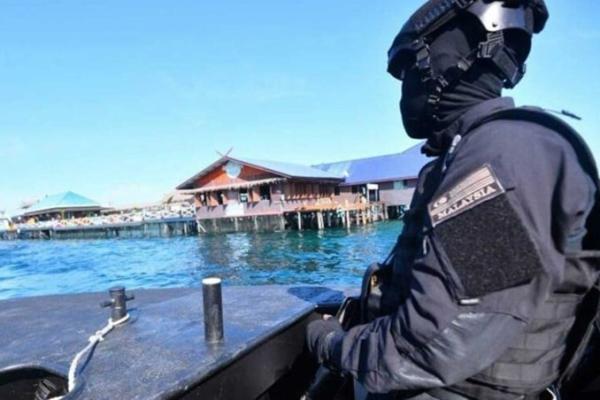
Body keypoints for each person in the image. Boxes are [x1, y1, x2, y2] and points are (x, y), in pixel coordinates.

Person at [306, 1, 600, 399]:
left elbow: (438, 340)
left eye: (408, 69)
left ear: (443, 61)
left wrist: (331, 344)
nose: (404, 88)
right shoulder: (476, 150)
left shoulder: (502, 154)